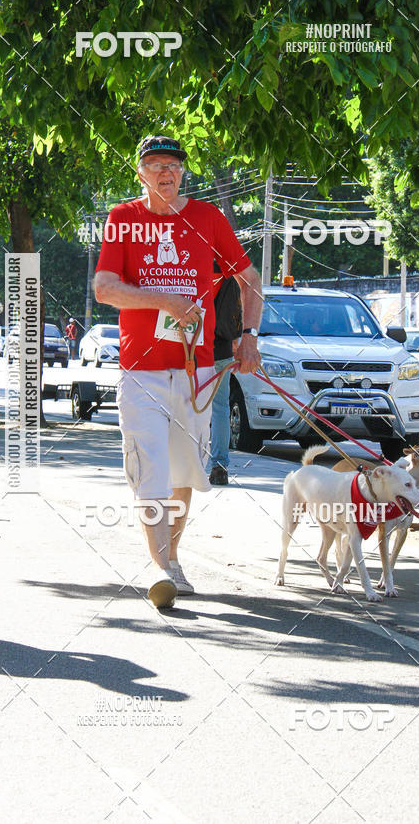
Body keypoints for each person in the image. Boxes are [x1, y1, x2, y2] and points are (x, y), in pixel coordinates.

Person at [94, 135, 263, 608]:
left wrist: (249, 335)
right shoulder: (123, 220)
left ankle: (170, 559)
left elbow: (249, 278)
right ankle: (164, 568)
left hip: (197, 371)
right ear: (140, 173)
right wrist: (165, 300)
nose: (165, 172)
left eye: (173, 165)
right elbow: (106, 287)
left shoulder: (208, 218)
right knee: (150, 470)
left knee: (185, 472)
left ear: (183, 173)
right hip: (141, 371)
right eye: (154, 165)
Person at [207, 266, 242, 486]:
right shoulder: (231, 277)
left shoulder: (190, 269)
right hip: (221, 350)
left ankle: (185, 462)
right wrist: (236, 346)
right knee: (220, 408)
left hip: (190, 349)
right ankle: (219, 467)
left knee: (187, 404)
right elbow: (235, 316)